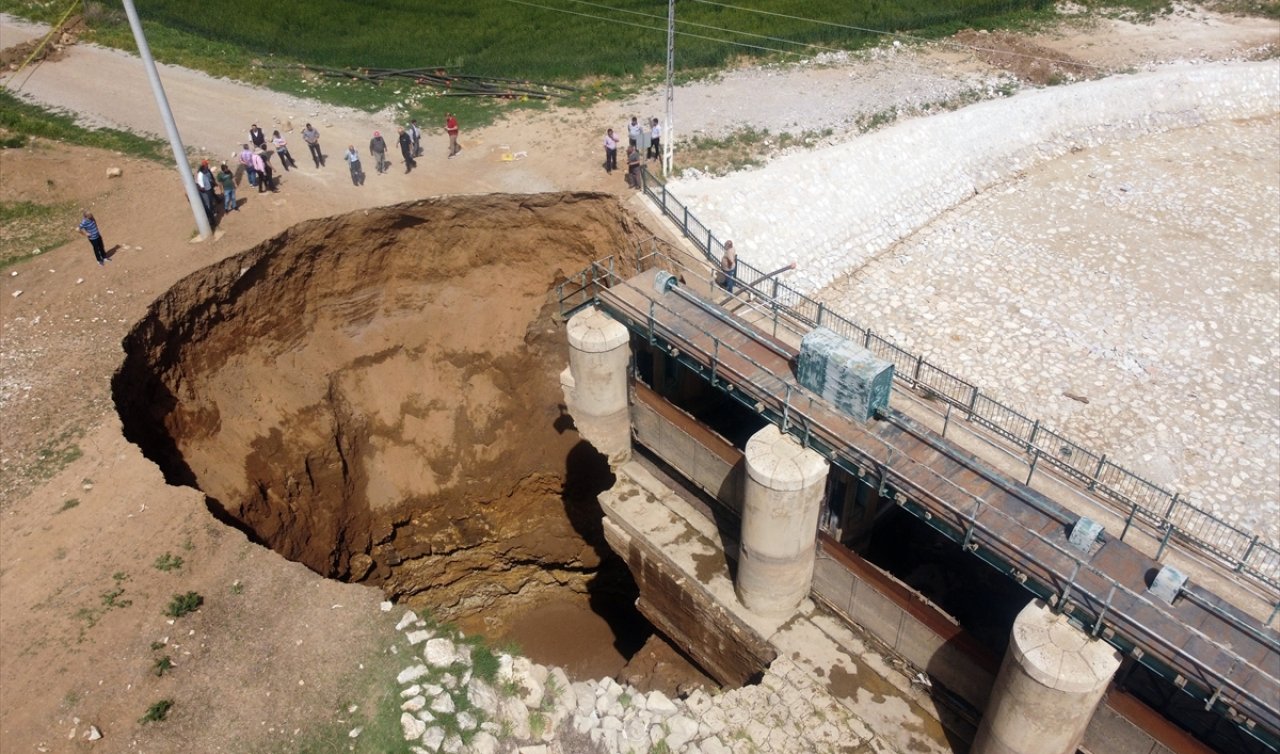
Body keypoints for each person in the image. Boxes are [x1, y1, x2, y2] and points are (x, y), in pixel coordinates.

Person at [195, 159, 217, 223]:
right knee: (208, 203)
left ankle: (213, 211)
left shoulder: (204, 173)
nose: (207, 170)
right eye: (206, 169)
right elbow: (202, 187)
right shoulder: (200, 176)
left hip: (209, 188)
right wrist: (206, 191)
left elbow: (209, 179)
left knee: (211, 201)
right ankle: (211, 216)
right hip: (207, 191)